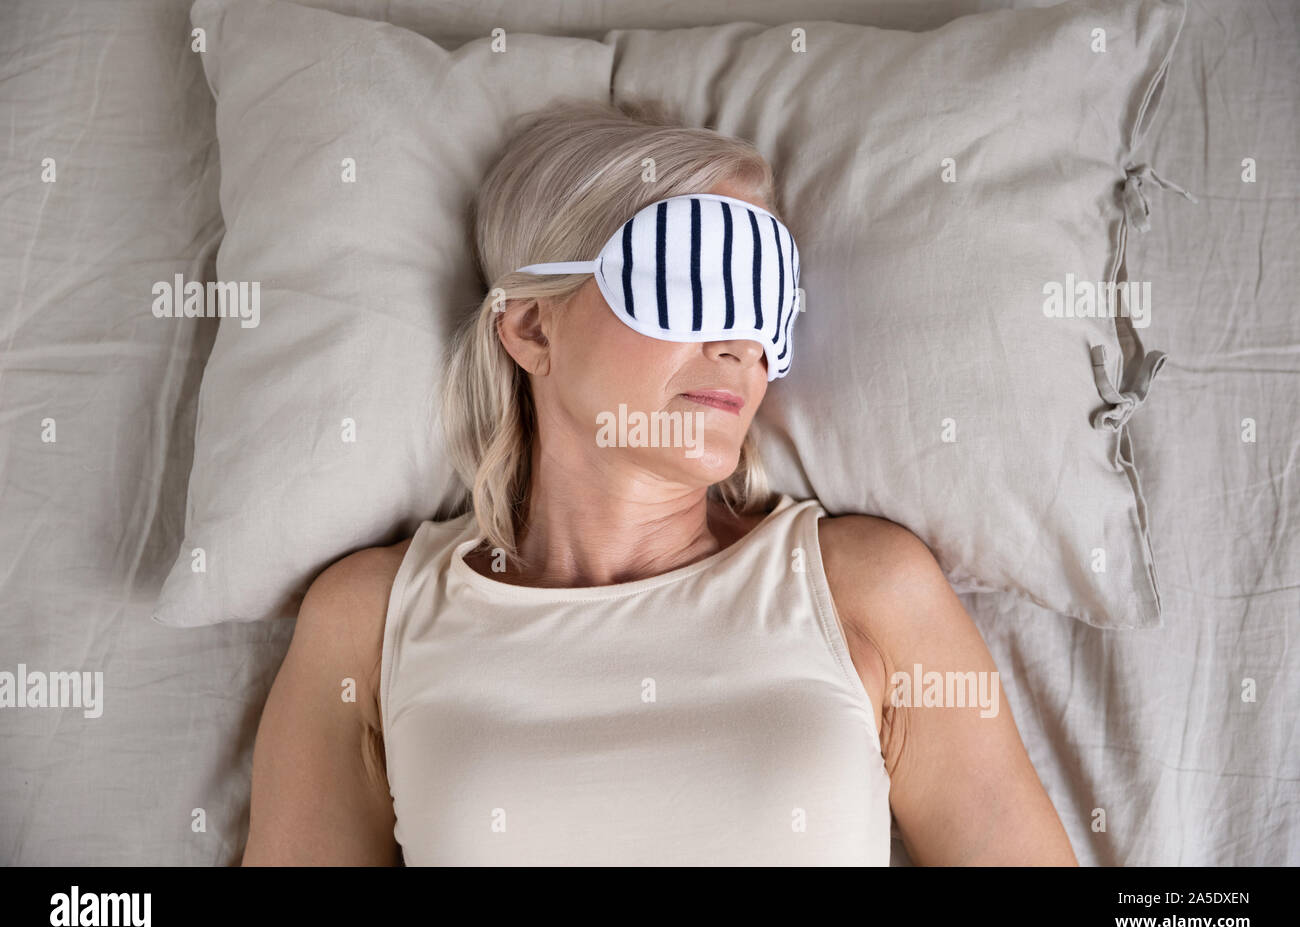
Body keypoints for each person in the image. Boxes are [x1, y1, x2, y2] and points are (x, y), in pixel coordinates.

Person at [240, 97, 1077, 866]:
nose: (742, 347)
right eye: (692, 283)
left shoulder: (864, 588)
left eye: (765, 304)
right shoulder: (371, 617)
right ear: (533, 327)